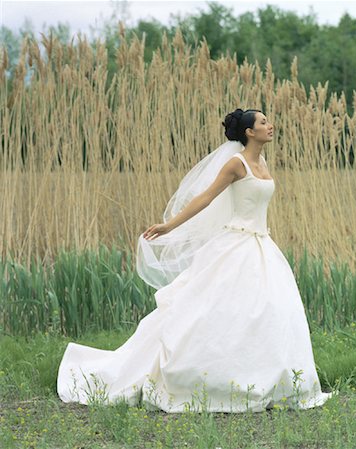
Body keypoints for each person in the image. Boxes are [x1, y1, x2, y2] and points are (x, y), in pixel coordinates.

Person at [57, 108, 336, 412]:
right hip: (236, 246)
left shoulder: (262, 162)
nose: (271, 125)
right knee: (212, 312)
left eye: (269, 121)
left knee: (272, 310)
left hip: (262, 246)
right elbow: (206, 197)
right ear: (248, 133)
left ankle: (270, 379)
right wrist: (169, 225)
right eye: (264, 122)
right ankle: (202, 378)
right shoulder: (236, 163)